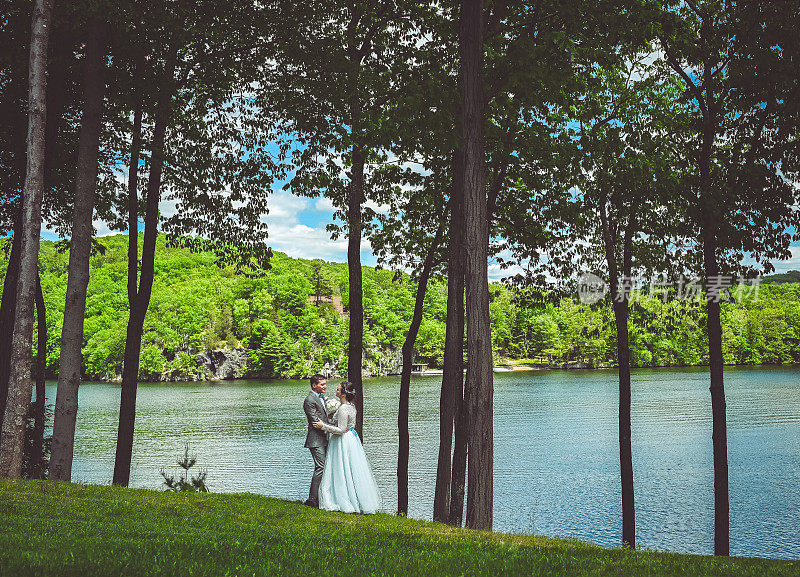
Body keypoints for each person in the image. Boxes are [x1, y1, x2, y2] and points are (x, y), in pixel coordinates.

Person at [312, 382, 381, 514]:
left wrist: (323, 426)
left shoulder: (343, 409)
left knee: (341, 469)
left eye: (338, 389)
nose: (335, 391)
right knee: (350, 469)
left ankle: (341, 499)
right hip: (351, 439)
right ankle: (355, 498)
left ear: (343, 393)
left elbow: (341, 430)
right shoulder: (351, 406)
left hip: (342, 441)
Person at [303, 374, 330, 508]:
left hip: (324, 438)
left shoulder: (321, 397)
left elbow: (324, 417)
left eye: (325, 384)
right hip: (315, 440)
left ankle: (323, 497)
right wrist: (333, 429)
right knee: (321, 467)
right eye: (322, 384)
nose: (325, 386)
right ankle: (312, 500)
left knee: (324, 467)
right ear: (314, 385)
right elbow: (315, 421)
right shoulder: (309, 400)